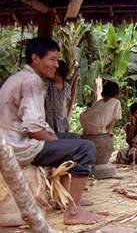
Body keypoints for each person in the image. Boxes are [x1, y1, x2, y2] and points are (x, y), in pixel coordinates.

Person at [0, 37, 104, 225]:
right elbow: (33, 128)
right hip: (18, 147)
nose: (56, 65)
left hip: (10, 142)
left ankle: (63, 199)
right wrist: (53, 139)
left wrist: (54, 138)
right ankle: (73, 213)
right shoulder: (32, 81)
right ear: (35, 58)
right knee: (86, 149)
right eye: (52, 59)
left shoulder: (18, 77)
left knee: (71, 138)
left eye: (57, 60)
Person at [45, 59, 73, 133]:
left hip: (62, 120)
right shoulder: (48, 84)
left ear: (61, 74)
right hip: (50, 120)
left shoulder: (67, 87)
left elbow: (66, 102)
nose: (53, 75)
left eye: (56, 74)